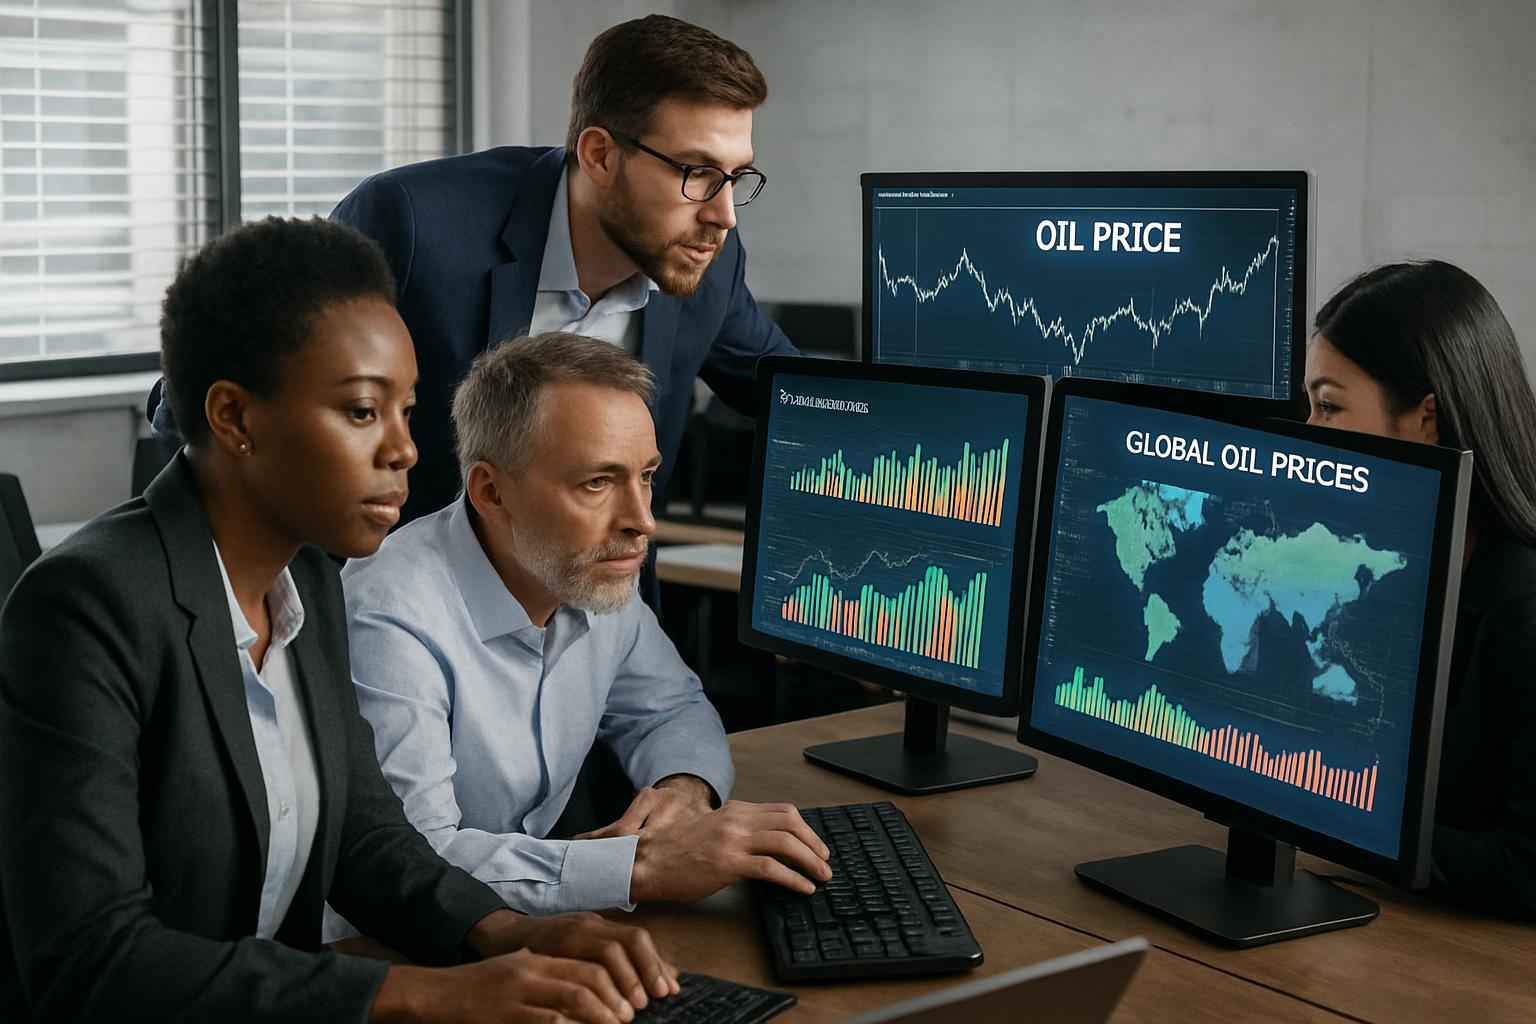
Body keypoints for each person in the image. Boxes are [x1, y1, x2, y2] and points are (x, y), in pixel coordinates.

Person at [0, 218, 682, 1023]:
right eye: (362, 411)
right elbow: (92, 958)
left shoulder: (309, 581)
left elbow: (365, 837)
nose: (405, 451)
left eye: (406, 411)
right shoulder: (86, 606)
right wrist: (426, 994)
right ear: (235, 418)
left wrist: (506, 932)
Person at [148, 12, 795, 532]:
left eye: (737, 177)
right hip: (398, 606)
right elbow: (205, 395)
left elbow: (799, 397)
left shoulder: (703, 257)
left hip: (597, 619)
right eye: (697, 173)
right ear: (599, 155)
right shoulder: (413, 222)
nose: (724, 215)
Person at [330, 332, 831, 928]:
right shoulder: (389, 617)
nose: (642, 521)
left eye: (646, 476)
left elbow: (669, 708)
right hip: (382, 945)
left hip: (521, 929)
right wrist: (644, 865)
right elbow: (415, 859)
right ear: (491, 491)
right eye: (598, 482)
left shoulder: (589, 569)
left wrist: (684, 787)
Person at [1305, 259, 1536, 919]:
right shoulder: (1377, 568)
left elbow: (1528, 870)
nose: (1309, 433)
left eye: (1329, 405)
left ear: (1425, 419)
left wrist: (1328, 820)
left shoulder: (1522, 609)